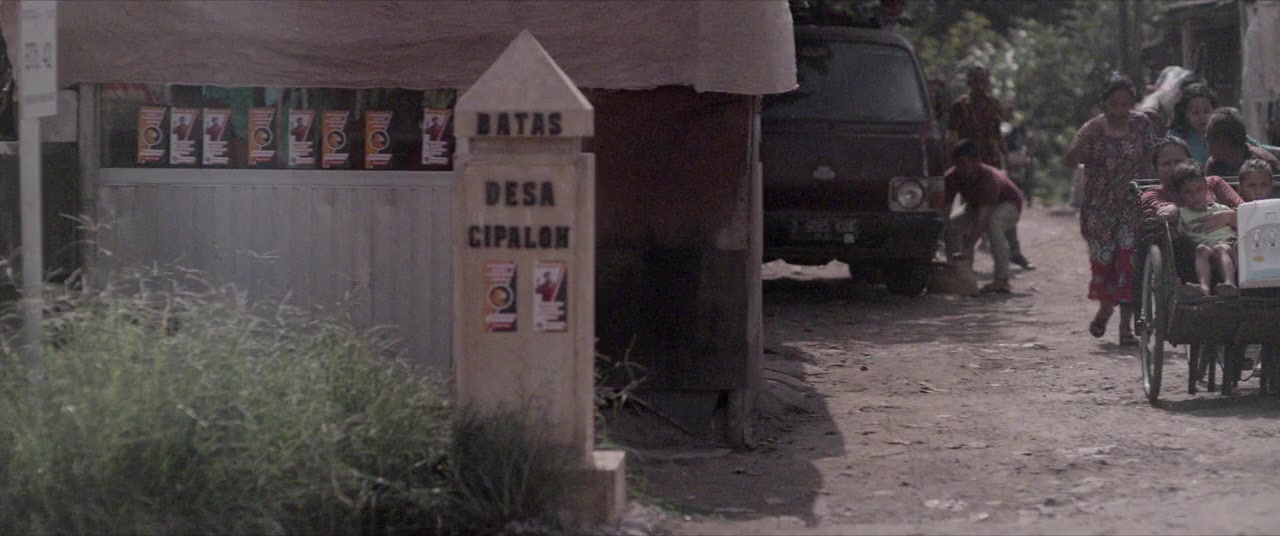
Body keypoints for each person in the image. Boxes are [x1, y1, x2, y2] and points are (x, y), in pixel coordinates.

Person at [1065, 72, 1157, 347]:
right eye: (1114, 103)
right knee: (1104, 266)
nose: (1119, 110)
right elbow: (1070, 161)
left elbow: (1152, 158)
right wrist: (1085, 140)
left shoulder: (1141, 125)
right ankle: (1105, 309)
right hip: (1099, 212)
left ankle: (1125, 328)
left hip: (1131, 207)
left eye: (1125, 104)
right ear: (1104, 103)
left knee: (1129, 262)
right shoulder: (1092, 128)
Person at [947, 65, 1033, 270]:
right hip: (967, 163)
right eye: (976, 81)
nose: (980, 85)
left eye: (983, 81)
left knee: (1001, 204)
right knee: (972, 209)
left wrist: (1005, 156)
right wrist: (954, 161)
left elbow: (996, 133)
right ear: (969, 82)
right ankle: (965, 262)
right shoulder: (960, 106)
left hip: (990, 161)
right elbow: (951, 136)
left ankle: (1014, 252)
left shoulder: (993, 104)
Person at [943, 139, 1024, 294]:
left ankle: (1002, 280)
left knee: (993, 224)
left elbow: (981, 222)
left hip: (1008, 204)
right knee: (952, 226)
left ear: (976, 162)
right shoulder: (952, 177)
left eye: (964, 164)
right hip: (976, 205)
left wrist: (967, 248)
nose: (961, 169)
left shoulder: (988, 180)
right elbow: (944, 213)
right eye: (957, 164)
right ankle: (957, 273)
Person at [1169, 162, 1239, 297]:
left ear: (1206, 188)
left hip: (1226, 245)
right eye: (1188, 192)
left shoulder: (1221, 209)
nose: (1195, 195)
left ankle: (1229, 283)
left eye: (1199, 190)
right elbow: (1178, 236)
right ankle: (1204, 288)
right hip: (1202, 249)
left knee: (1220, 249)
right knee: (1201, 250)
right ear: (1180, 194)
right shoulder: (1182, 213)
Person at [1141, 136, 1242, 223]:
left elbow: (1245, 210)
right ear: (1155, 169)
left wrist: (1227, 217)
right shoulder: (1153, 195)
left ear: (1189, 162)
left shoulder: (1214, 183)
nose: (1173, 168)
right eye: (1166, 164)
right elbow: (1163, 209)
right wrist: (1172, 209)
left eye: (1178, 161)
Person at [1205, 107, 1280, 178]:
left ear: (1224, 144)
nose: (1207, 144)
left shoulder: (1266, 164)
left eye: (1209, 140)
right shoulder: (1213, 166)